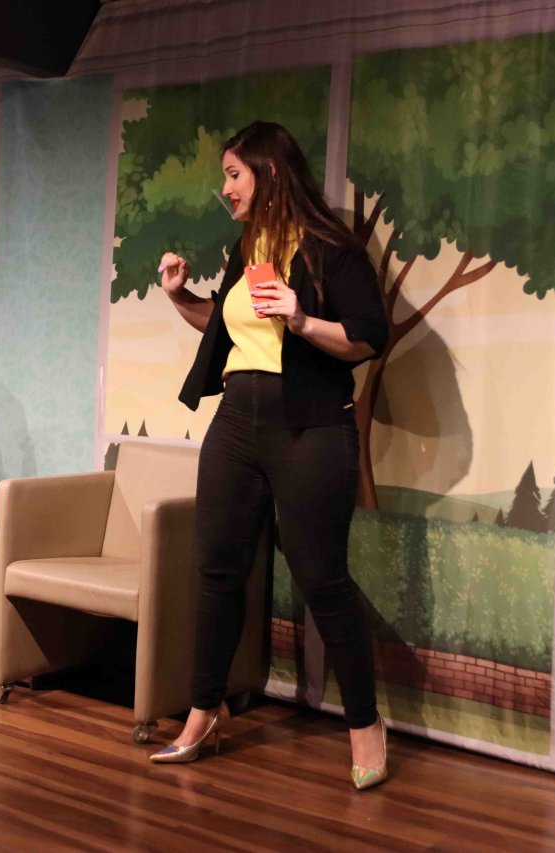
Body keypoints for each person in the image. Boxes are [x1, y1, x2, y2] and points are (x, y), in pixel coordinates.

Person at [149, 121, 390, 789]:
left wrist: (303, 318)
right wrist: (179, 297)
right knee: (217, 569)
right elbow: (230, 329)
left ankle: (365, 724)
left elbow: (369, 337)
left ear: (271, 173)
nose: (225, 188)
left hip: (309, 425)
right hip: (237, 421)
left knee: (321, 578)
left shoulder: (330, 247)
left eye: (234, 174)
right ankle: (203, 716)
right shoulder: (248, 245)